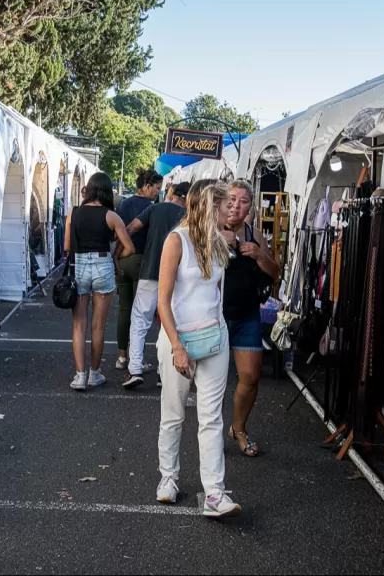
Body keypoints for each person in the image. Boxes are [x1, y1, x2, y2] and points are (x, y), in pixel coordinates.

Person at [155, 180, 242, 518]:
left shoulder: (219, 240)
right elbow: (162, 301)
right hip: (179, 340)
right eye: (226, 206)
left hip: (214, 338)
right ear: (211, 206)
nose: (231, 212)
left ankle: (215, 494)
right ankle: (168, 478)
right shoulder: (176, 241)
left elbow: (217, 294)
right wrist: (176, 345)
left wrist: (221, 331)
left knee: (211, 418)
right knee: (173, 414)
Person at [222, 181, 279, 457]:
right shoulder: (210, 228)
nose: (236, 205)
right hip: (215, 316)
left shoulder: (253, 232)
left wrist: (257, 254)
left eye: (243, 201)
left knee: (251, 376)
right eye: (232, 199)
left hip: (247, 315)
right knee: (212, 381)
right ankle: (207, 437)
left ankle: (238, 429)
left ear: (250, 207)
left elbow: (274, 271)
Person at [65, 172, 135, 391]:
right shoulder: (111, 216)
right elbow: (130, 248)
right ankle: (95, 374)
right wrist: (117, 257)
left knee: (79, 324)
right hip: (103, 265)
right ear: (107, 191)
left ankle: (79, 376)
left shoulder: (74, 213)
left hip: (79, 267)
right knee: (98, 325)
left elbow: (67, 247)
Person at [121, 181, 191, 389]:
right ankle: (164, 373)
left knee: (140, 320)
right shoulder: (190, 217)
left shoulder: (156, 208)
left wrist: (122, 251)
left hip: (151, 269)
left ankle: (134, 369)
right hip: (180, 276)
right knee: (171, 323)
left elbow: (132, 228)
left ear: (172, 193)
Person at [114, 168, 163, 371]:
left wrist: (116, 256)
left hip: (124, 259)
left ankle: (122, 357)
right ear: (146, 186)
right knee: (140, 314)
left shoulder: (124, 204)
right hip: (145, 261)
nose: (158, 193)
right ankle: (137, 359)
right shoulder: (153, 208)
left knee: (124, 309)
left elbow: (118, 232)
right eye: (157, 188)